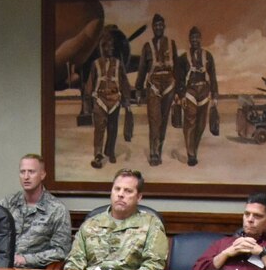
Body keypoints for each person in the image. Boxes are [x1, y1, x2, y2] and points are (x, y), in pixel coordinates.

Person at [65, 170, 169, 270]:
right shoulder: (90, 224)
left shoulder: (151, 224)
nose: (120, 194)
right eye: (117, 189)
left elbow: (153, 266)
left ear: (138, 197)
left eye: (128, 191)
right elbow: (74, 264)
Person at [134, 15, 179, 167]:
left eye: (161, 25)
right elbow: (141, 69)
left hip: (169, 86)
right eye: (156, 25)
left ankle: (158, 150)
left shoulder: (172, 44)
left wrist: (179, 91)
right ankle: (153, 153)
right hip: (153, 86)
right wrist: (138, 89)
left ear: (164, 26)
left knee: (164, 121)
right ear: (153, 27)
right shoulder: (147, 46)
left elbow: (177, 68)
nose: (158, 27)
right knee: (154, 120)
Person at [172, 26, 219, 168]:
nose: (195, 40)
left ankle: (194, 149)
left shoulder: (208, 56)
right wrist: (180, 95)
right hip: (190, 92)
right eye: (192, 38)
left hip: (204, 92)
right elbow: (179, 78)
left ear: (200, 39)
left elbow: (213, 76)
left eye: (197, 37)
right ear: (189, 40)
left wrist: (215, 95)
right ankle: (191, 154)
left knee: (201, 125)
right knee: (190, 123)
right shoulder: (183, 58)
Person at [85, 26, 126, 170]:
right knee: (99, 128)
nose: (110, 49)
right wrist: (88, 103)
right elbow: (90, 82)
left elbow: (124, 81)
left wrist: (126, 100)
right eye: (107, 46)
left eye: (112, 46)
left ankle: (110, 151)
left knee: (113, 127)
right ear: (103, 47)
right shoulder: (95, 64)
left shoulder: (119, 64)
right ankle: (98, 154)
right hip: (100, 100)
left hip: (115, 100)